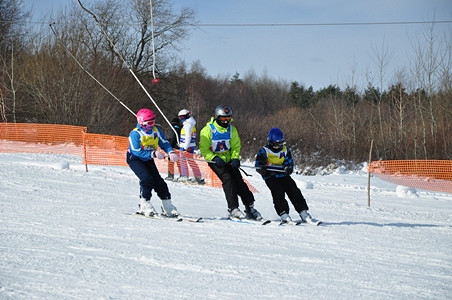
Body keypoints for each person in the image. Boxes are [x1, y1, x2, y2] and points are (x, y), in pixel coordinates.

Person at [199, 104, 262, 220]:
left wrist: (235, 158)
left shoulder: (232, 130)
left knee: (239, 181)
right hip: (215, 161)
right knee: (227, 179)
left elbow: (236, 146)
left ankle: (249, 206)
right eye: (223, 118)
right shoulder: (208, 130)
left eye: (228, 118)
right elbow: (204, 148)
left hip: (228, 160)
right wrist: (213, 158)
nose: (225, 121)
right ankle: (233, 208)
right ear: (217, 117)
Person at [255, 127, 317, 224]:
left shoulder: (285, 150)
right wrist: (262, 168)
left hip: (283, 175)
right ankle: (283, 214)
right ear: (269, 142)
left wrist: (288, 168)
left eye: (279, 144)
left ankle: (303, 212)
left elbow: (289, 163)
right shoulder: (264, 151)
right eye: (275, 144)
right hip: (270, 176)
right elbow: (258, 163)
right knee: (278, 192)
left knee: (294, 190)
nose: (277, 146)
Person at [126, 108, 180, 217]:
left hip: (148, 158)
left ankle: (167, 205)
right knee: (146, 178)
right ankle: (144, 203)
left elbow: (164, 143)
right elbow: (136, 151)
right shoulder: (135, 134)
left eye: (154, 122)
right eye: (150, 123)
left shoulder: (156, 131)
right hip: (135, 159)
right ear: (142, 123)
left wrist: (171, 152)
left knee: (158, 181)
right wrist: (152, 154)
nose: (152, 125)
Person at [177, 109, 204, 184]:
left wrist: (185, 146)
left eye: (182, 117)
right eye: (180, 117)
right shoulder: (190, 123)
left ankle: (184, 176)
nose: (181, 119)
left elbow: (188, 136)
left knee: (183, 161)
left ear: (186, 116)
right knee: (190, 161)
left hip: (187, 146)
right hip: (189, 145)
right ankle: (197, 176)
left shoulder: (188, 124)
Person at [165, 117, 182, 181]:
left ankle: (170, 175)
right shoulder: (181, 128)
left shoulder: (174, 129)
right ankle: (182, 174)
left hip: (174, 147)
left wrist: (169, 147)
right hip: (179, 147)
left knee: (171, 162)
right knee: (179, 162)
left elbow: (173, 138)